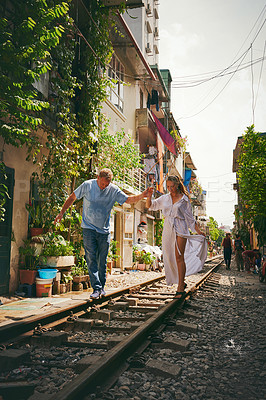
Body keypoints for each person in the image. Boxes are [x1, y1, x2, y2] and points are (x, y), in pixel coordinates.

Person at [54, 168, 150, 299]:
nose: (104, 187)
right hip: (88, 229)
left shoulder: (113, 190)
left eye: (107, 184)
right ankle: (96, 288)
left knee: (102, 261)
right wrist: (61, 213)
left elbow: (128, 199)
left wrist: (142, 195)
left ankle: (102, 288)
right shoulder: (88, 185)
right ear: (98, 178)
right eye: (102, 183)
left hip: (104, 231)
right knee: (91, 258)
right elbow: (72, 197)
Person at [146, 175, 207, 298]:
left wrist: (198, 231)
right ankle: (180, 281)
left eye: (172, 186)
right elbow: (150, 206)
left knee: (179, 256)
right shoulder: (164, 198)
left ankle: (180, 287)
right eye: (168, 186)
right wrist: (148, 195)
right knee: (169, 256)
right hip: (168, 228)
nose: (170, 189)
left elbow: (190, 219)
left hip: (181, 228)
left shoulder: (184, 200)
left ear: (178, 185)